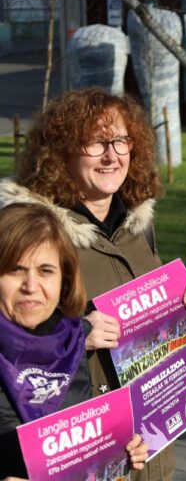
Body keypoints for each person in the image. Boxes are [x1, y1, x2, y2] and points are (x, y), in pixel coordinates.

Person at [0, 87, 186, 481]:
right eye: (96, 143)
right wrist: (73, 333)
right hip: (80, 454)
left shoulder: (139, 226)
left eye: (121, 140)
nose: (112, 155)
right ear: (61, 151)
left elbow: (161, 318)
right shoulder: (33, 230)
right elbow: (13, 333)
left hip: (152, 447)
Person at [0, 203, 149, 479]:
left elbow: (75, 445)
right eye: (14, 270)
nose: (31, 286)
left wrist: (115, 449)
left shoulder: (71, 339)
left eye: (45, 271)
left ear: (64, 279)